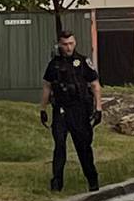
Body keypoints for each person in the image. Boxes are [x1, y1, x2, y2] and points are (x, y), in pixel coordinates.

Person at [40, 30, 104, 192]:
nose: (68, 47)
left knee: (83, 146)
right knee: (59, 145)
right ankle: (56, 183)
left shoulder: (82, 62)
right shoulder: (54, 64)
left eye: (71, 43)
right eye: (65, 44)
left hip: (79, 109)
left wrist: (98, 108)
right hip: (61, 109)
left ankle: (92, 180)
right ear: (59, 45)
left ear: (75, 43)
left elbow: (95, 85)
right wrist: (43, 109)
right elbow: (47, 86)